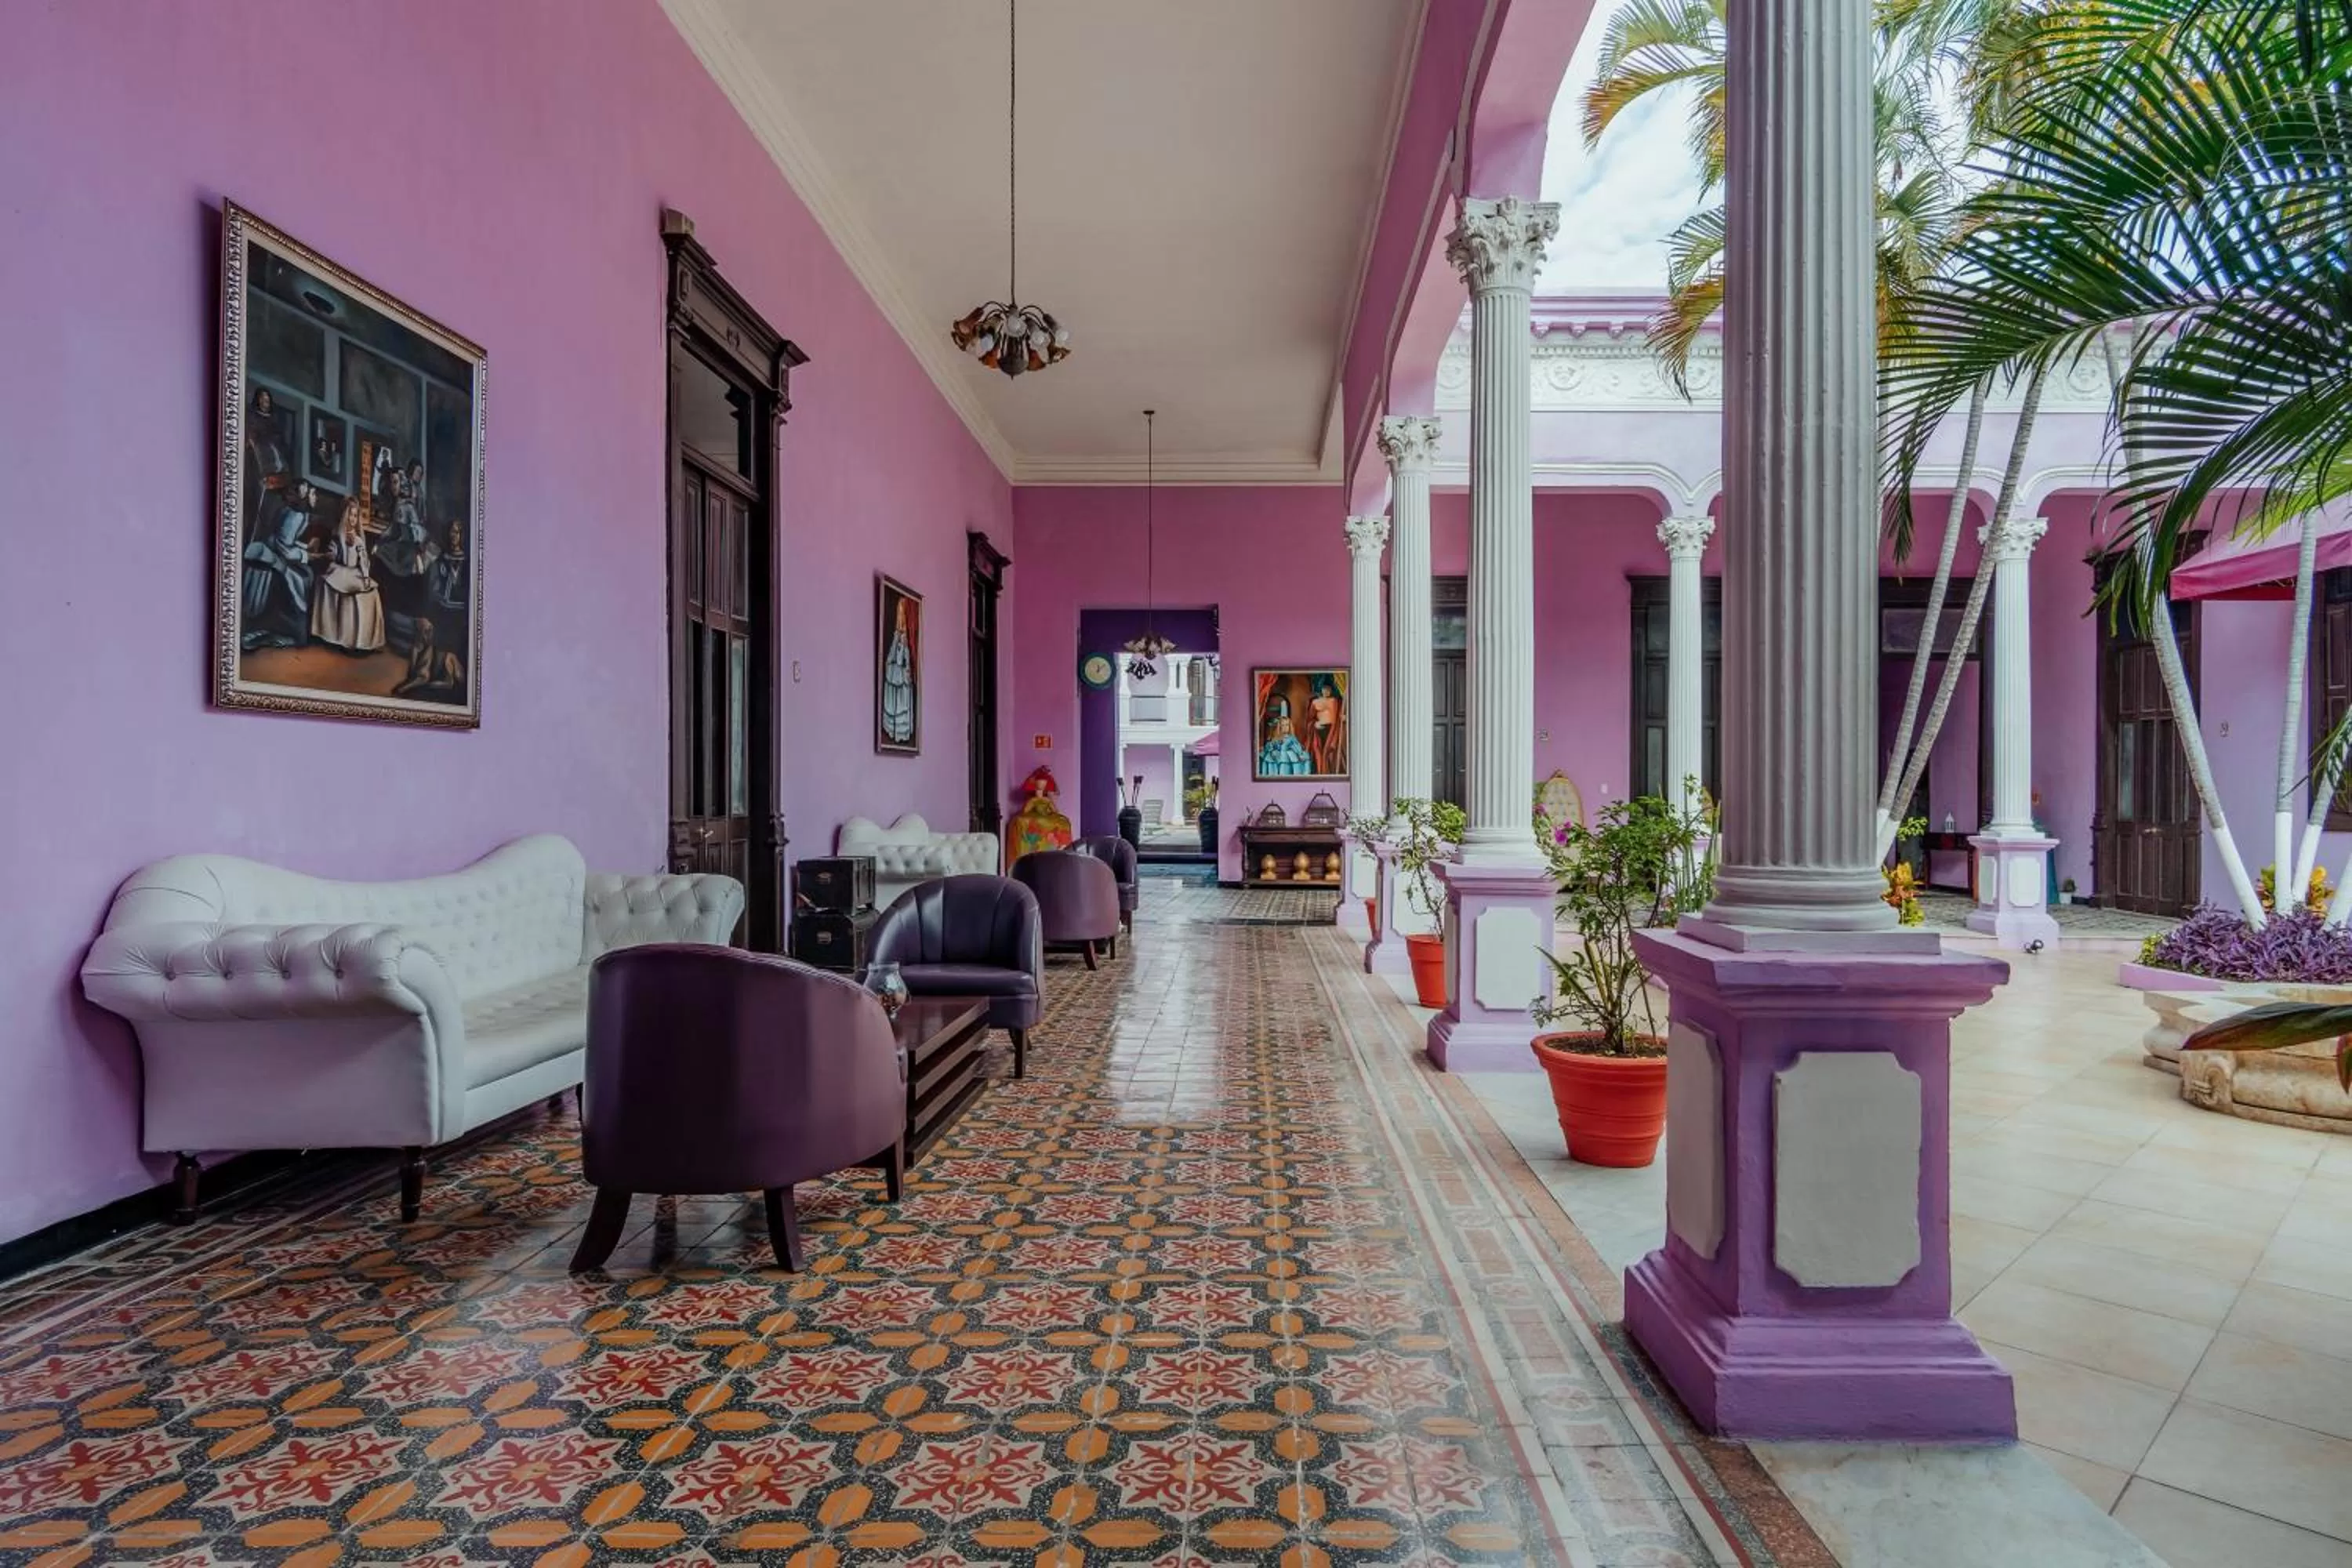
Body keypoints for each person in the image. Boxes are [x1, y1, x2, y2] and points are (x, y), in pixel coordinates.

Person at [239, 479, 315, 651]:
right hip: (275, 556)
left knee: (305, 575)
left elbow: (288, 540)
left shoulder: (299, 515)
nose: (315, 497)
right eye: (312, 493)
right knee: (301, 578)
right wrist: (307, 555)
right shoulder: (295, 516)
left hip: (279, 553)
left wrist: (305, 548)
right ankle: (292, 632)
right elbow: (285, 548)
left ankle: (295, 631)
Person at [310, 499, 386, 653]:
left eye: (355, 516)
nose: (352, 519)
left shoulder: (358, 540)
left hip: (354, 572)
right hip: (340, 570)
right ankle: (338, 637)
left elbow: (363, 561)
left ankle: (362, 640)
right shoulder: (338, 537)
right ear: (344, 515)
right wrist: (331, 553)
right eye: (350, 515)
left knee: (369, 593)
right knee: (338, 589)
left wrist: (365, 576)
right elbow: (333, 554)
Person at [391, 616, 466, 700]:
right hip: (425, 670)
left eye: (430, 631)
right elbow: (412, 674)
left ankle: (448, 682)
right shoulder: (414, 649)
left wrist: (404, 688)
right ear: (419, 632)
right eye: (426, 631)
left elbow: (424, 677)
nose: (430, 635)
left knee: (449, 657)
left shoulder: (429, 650)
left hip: (448, 662)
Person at [880, 597, 917, 745]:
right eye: (899, 616)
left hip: (901, 673)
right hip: (896, 671)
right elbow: (890, 659)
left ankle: (901, 731)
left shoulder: (905, 642)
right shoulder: (897, 638)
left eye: (903, 617)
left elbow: (905, 662)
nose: (901, 621)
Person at [1257, 695, 1313, 777]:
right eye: (1283, 725)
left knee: (1290, 763)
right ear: (1279, 727)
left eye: (1287, 725)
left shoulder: (1291, 738)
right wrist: (1272, 751)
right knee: (1269, 758)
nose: (1285, 727)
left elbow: (1296, 747)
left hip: (1287, 757)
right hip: (1277, 756)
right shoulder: (1274, 738)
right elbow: (1270, 746)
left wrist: (1299, 753)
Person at [1306, 673, 1348, 775]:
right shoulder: (1315, 702)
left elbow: (1340, 714)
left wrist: (1345, 717)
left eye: (1328, 689)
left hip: (1331, 730)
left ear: (1331, 690)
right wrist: (1314, 724)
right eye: (1324, 689)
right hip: (1318, 729)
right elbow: (1310, 719)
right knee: (1318, 752)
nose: (1326, 691)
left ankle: (1328, 774)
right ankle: (1320, 773)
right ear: (1321, 689)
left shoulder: (1335, 701)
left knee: (1330, 753)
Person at [425, 520, 469, 612]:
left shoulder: (468, 560)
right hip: (444, 608)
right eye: (452, 531)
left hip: (462, 609)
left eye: (457, 532)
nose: (454, 535)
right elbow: (433, 586)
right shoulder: (441, 558)